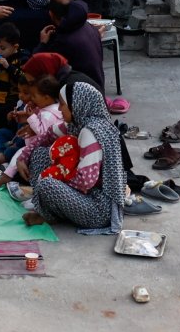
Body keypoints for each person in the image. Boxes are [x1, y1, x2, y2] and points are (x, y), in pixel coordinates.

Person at [21, 81, 126, 234]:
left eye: (62, 104)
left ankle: (50, 215)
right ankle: (47, 211)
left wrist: (54, 175)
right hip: (86, 197)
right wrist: (23, 158)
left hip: (97, 210)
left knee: (47, 184)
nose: (58, 108)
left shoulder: (91, 132)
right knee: (40, 154)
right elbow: (47, 135)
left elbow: (85, 182)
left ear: (76, 104)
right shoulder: (79, 123)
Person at [3, 75, 68, 182]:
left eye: (34, 96)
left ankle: (7, 176)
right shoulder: (45, 108)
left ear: (46, 97)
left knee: (18, 154)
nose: (31, 99)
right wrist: (24, 115)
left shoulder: (49, 114)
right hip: (31, 145)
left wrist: (31, 116)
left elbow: (42, 132)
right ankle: (8, 173)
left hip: (40, 150)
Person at [36, 0, 104, 92]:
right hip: (97, 89)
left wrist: (42, 44)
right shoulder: (88, 26)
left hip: (81, 97)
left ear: (51, 14)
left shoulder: (63, 41)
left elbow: (39, 67)